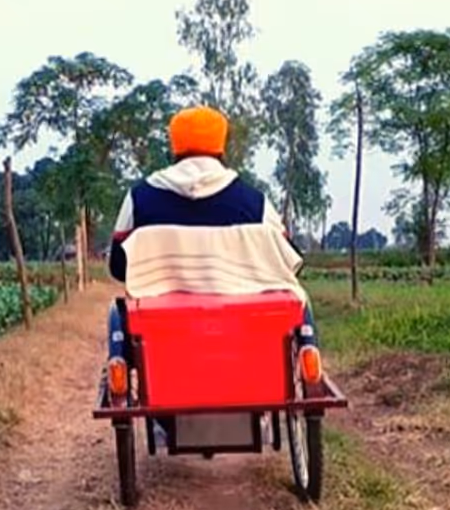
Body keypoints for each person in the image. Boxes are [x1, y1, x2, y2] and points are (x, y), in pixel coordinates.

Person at [105, 105, 319, 359]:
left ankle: (119, 368)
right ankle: (309, 361)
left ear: (175, 145)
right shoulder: (256, 202)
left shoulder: (139, 197)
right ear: (221, 145)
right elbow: (290, 262)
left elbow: (119, 267)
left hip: (164, 331)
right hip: (247, 330)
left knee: (117, 313)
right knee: (299, 296)